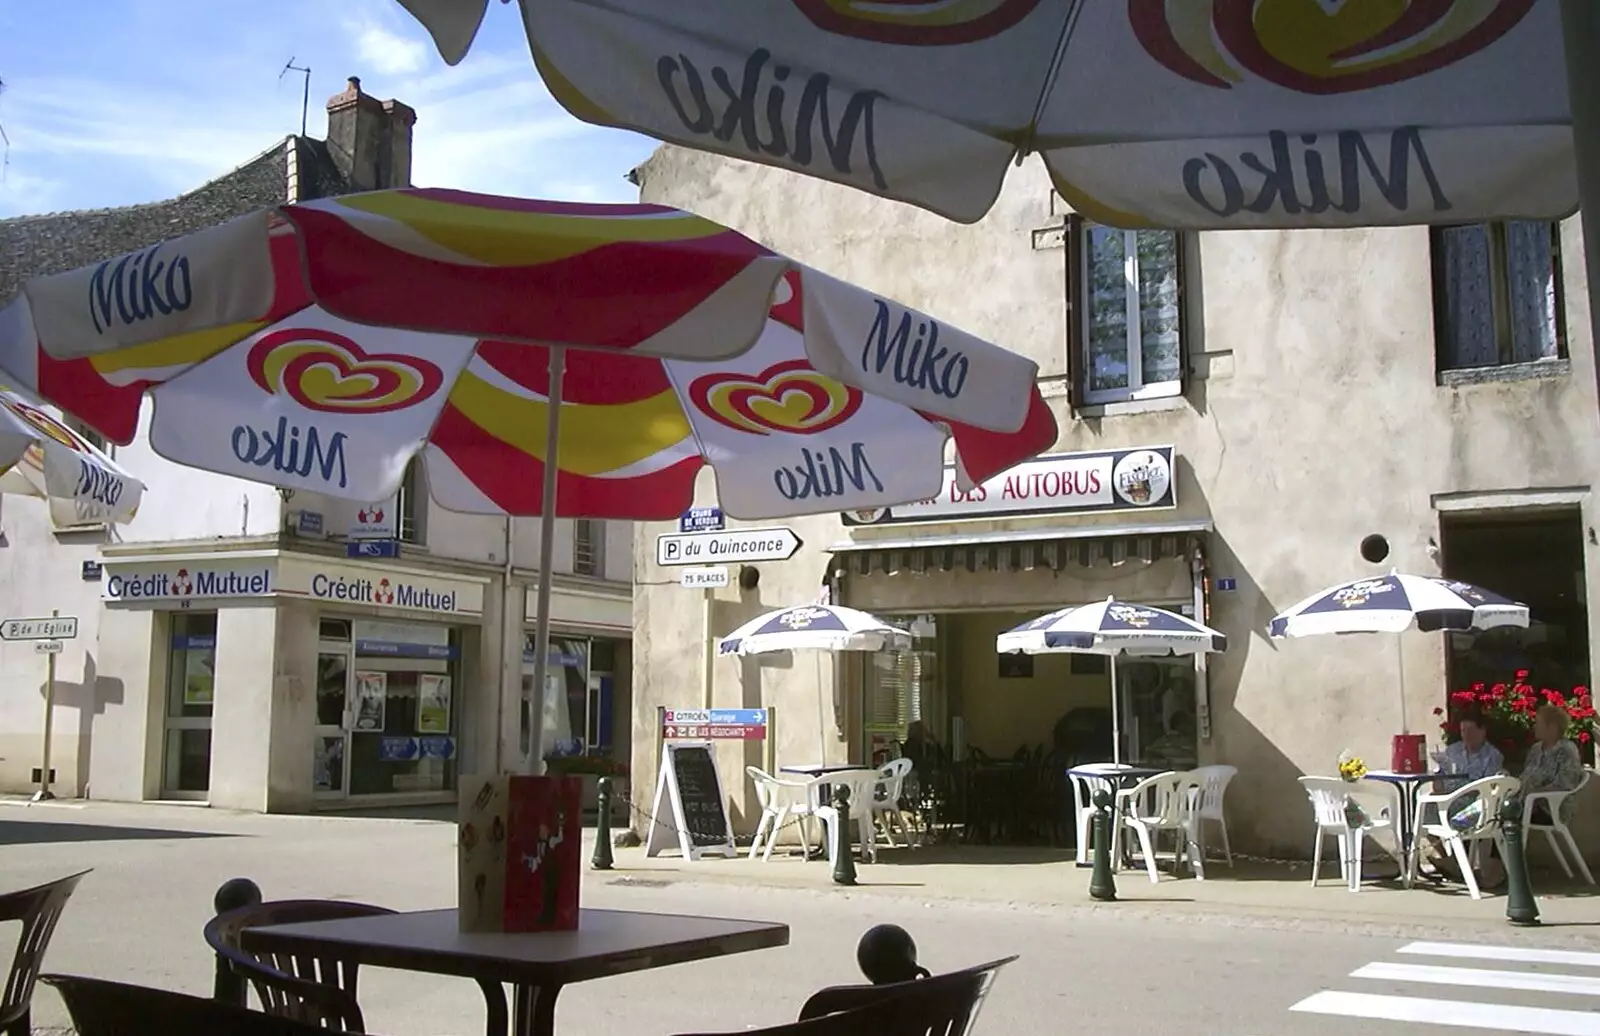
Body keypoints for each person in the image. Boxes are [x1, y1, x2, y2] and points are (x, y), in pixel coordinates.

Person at [1426, 708, 1506, 886]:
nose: (1466, 736)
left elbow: (1491, 787)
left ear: (1482, 731)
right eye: (1463, 731)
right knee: (1422, 810)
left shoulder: (1492, 756)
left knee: (1458, 817)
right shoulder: (1452, 751)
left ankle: (1456, 863)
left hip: (1475, 803)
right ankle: (1449, 859)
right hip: (1449, 799)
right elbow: (1438, 782)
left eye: (1470, 731)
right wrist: (1438, 777)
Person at [1522, 703, 1585, 826]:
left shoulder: (1567, 750)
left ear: (1552, 727)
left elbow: (1564, 784)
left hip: (1551, 808)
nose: (1534, 727)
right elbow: (1526, 776)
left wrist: (1533, 794)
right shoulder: (1536, 749)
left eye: (1538, 724)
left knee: (1506, 815)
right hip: (1527, 803)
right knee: (1495, 809)